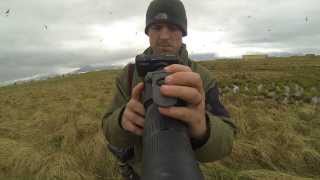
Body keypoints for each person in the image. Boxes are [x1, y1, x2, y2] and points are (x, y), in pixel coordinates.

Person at [102, 0, 237, 179]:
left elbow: (227, 140)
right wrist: (122, 121)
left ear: (182, 33)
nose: (164, 36)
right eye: (157, 27)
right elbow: (109, 129)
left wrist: (203, 128)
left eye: (173, 27)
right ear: (148, 32)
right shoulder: (128, 75)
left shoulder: (201, 78)